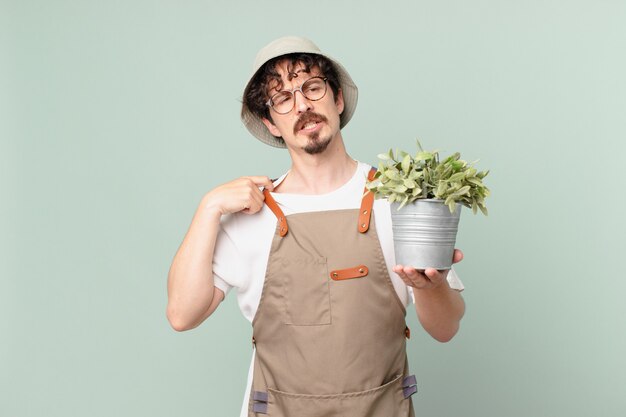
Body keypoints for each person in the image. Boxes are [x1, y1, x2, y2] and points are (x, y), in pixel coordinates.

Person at [167, 36, 466, 417]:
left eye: (312, 87)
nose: (302, 105)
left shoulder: (399, 200)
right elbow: (181, 314)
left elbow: (446, 328)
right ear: (270, 122)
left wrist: (432, 286)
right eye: (283, 98)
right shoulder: (249, 214)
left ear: (337, 99)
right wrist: (207, 209)